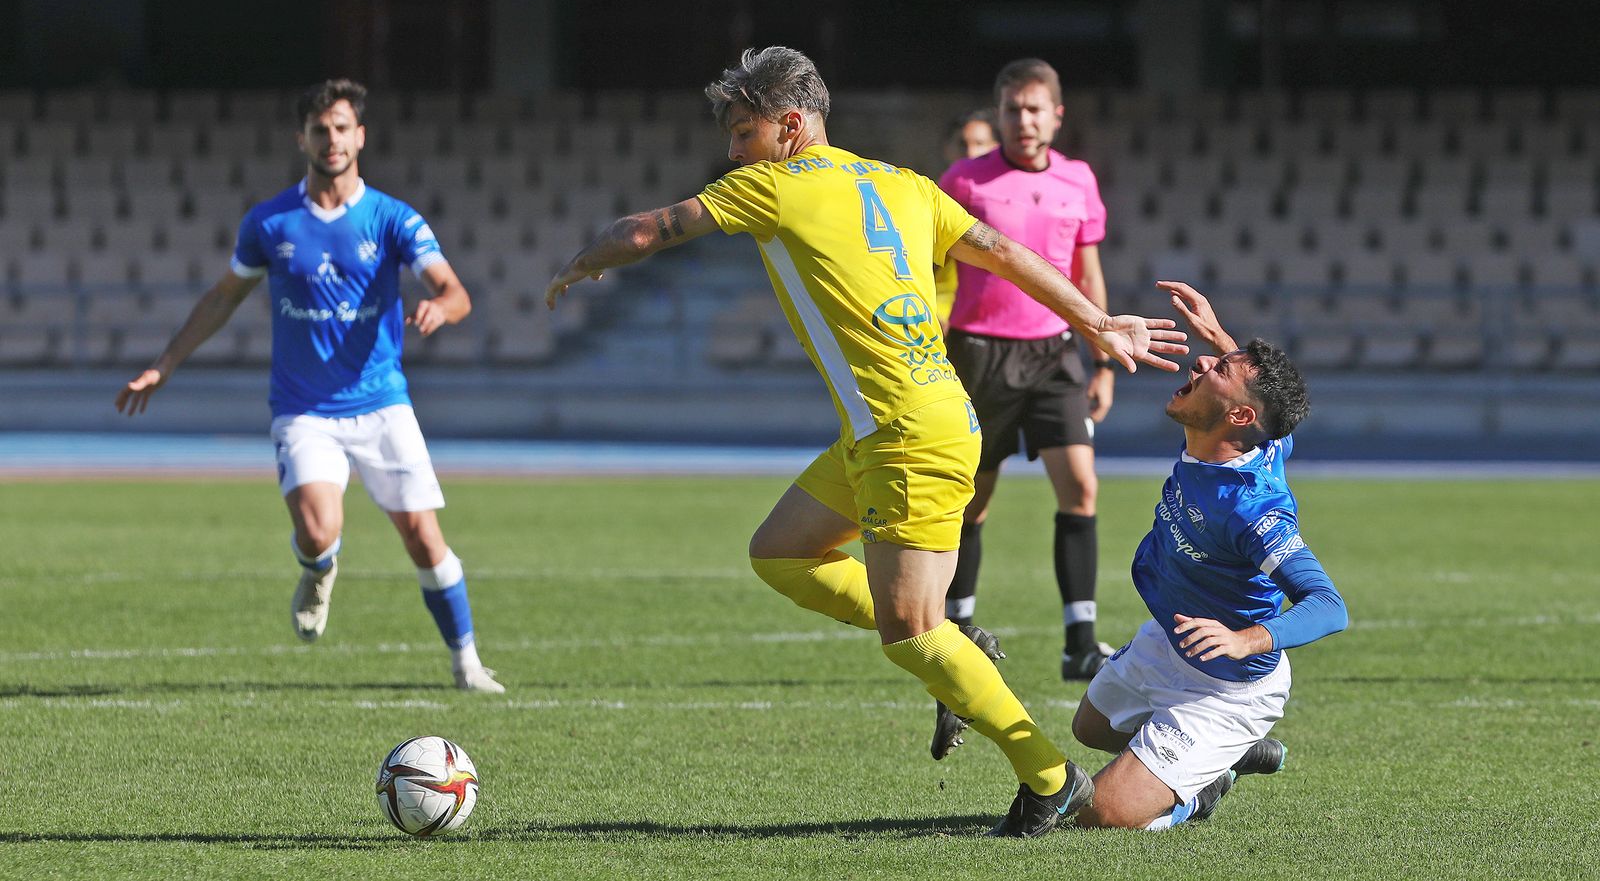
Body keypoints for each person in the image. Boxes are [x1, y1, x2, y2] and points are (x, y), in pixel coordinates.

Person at [545, 46, 1188, 837]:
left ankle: (1049, 777)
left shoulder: (773, 185)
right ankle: (958, 644)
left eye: (743, 133)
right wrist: (1095, 320)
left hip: (906, 433)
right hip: (897, 423)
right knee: (780, 553)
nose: (733, 153)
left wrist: (582, 262)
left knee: (910, 632)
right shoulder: (904, 184)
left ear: (791, 126)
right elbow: (1005, 253)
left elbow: (650, 230)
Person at [115, 79, 504, 694]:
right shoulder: (270, 222)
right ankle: (318, 568)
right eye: (320, 129)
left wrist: (440, 308)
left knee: (423, 538)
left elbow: (455, 291)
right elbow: (222, 298)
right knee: (318, 531)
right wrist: (165, 364)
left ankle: (467, 663)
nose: (331, 139)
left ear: (361, 136)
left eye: (342, 128)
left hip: (382, 402)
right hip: (304, 409)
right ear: (302, 138)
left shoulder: (394, 218)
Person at [1069, 279, 1347, 830]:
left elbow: (1328, 605)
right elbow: (1265, 410)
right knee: (1091, 729)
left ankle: (1200, 791)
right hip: (1174, 636)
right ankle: (1224, 761)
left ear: (1237, 418)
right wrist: (1221, 337)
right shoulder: (1245, 436)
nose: (1200, 362)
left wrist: (1244, 639)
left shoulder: (1252, 510)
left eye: (1217, 368)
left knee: (1101, 814)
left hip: (1228, 684)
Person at [936, 59, 1116, 701]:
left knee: (1082, 489)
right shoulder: (963, 180)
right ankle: (957, 631)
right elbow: (930, 267)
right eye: (1012, 109)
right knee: (972, 501)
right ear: (999, 114)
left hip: (1056, 356)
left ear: (1056, 115)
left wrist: (1101, 359)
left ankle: (1080, 642)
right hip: (980, 356)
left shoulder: (1078, 179)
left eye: (1035, 108)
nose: (1023, 120)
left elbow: (1087, 274)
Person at [933, 108, 998, 328]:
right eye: (962, 144)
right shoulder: (934, 197)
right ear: (947, 148)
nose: (970, 152)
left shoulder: (1001, 205)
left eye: (980, 144)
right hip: (943, 316)